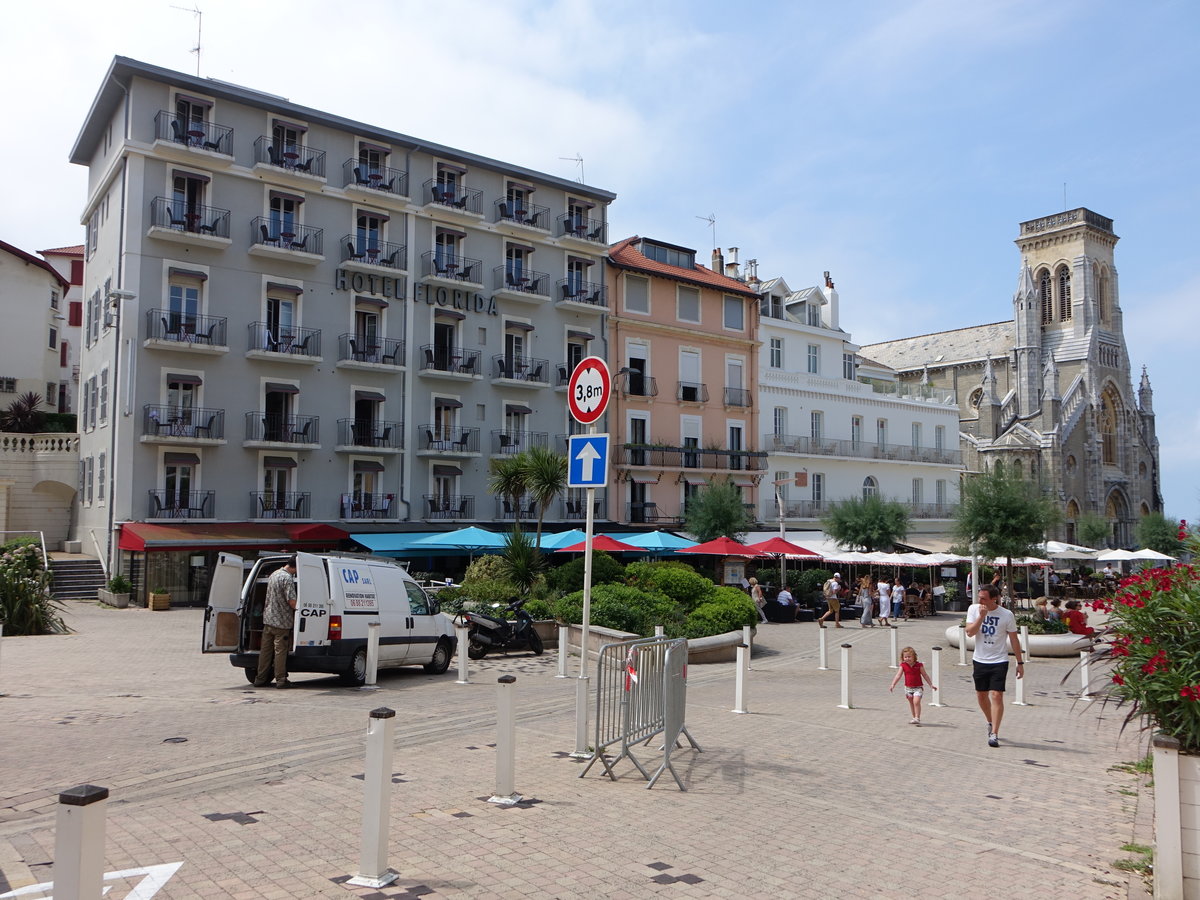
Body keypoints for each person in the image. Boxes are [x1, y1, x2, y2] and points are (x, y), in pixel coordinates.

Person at [965, 583, 1024, 747]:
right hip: (980, 659)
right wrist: (981, 617)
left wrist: (1020, 662)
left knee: (997, 695)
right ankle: (990, 721)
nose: (980, 601)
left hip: (999, 660)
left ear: (994, 598)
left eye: (983, 598)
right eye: (979, 597)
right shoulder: (974, 609)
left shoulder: (1006, 614)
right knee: (981, 695)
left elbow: (1013, 639)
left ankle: (994, 734)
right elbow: (969, 632)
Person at [255, 556, 297, 688]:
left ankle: (260, 679)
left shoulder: (274, 574)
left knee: (265, 652)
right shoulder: (287, 579)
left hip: (268, 619)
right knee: (280, 652)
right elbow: (292, 601)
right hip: (282, 621)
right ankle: (281, 680)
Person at [890, 646, 937, 725]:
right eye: (905, 657)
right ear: (903, 658)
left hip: (918, 688)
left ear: (914, 657)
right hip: (908, 688)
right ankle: (914, 717)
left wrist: (931, 685)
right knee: (912, 703)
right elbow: (898, 675)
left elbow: (925, 675)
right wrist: (893, 684)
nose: (907, 658)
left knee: (916, 702)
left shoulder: (919, 665)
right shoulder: (903, 665)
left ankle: (917, 718)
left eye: (909, 657)